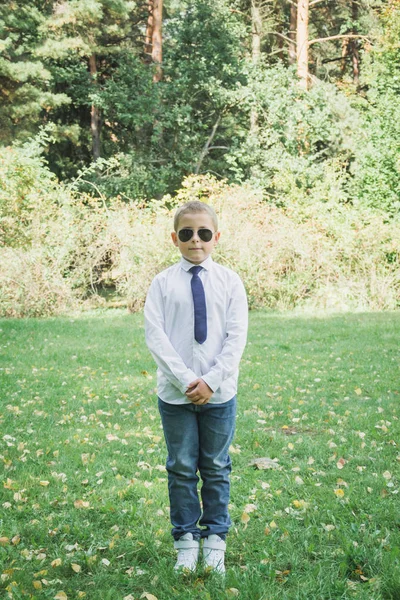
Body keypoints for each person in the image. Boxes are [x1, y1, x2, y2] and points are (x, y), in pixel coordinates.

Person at [144, 200, 248, 574]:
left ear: (216, 237)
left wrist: (212, 380)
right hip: (176, 395)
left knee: (216, 466)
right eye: (186, 233)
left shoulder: (230, 282)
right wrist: (188, 380)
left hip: (220, 393)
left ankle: (215, 540)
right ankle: (186, 540)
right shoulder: (162, 283)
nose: (195, 240)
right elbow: (156, 338)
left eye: (204, 233)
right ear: (175, 238)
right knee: (182, 466)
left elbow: (236, 338)